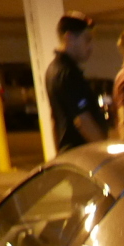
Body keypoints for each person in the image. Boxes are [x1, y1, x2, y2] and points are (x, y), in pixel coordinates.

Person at [45, 11, 106, 152]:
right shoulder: (68, 74)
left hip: (69, 154)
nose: (91, 46)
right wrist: (105, 152)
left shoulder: (53, 69)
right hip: (83, 154)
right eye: (87, 39)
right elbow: (83, 121)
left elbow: (55, 119)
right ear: (69, 38)